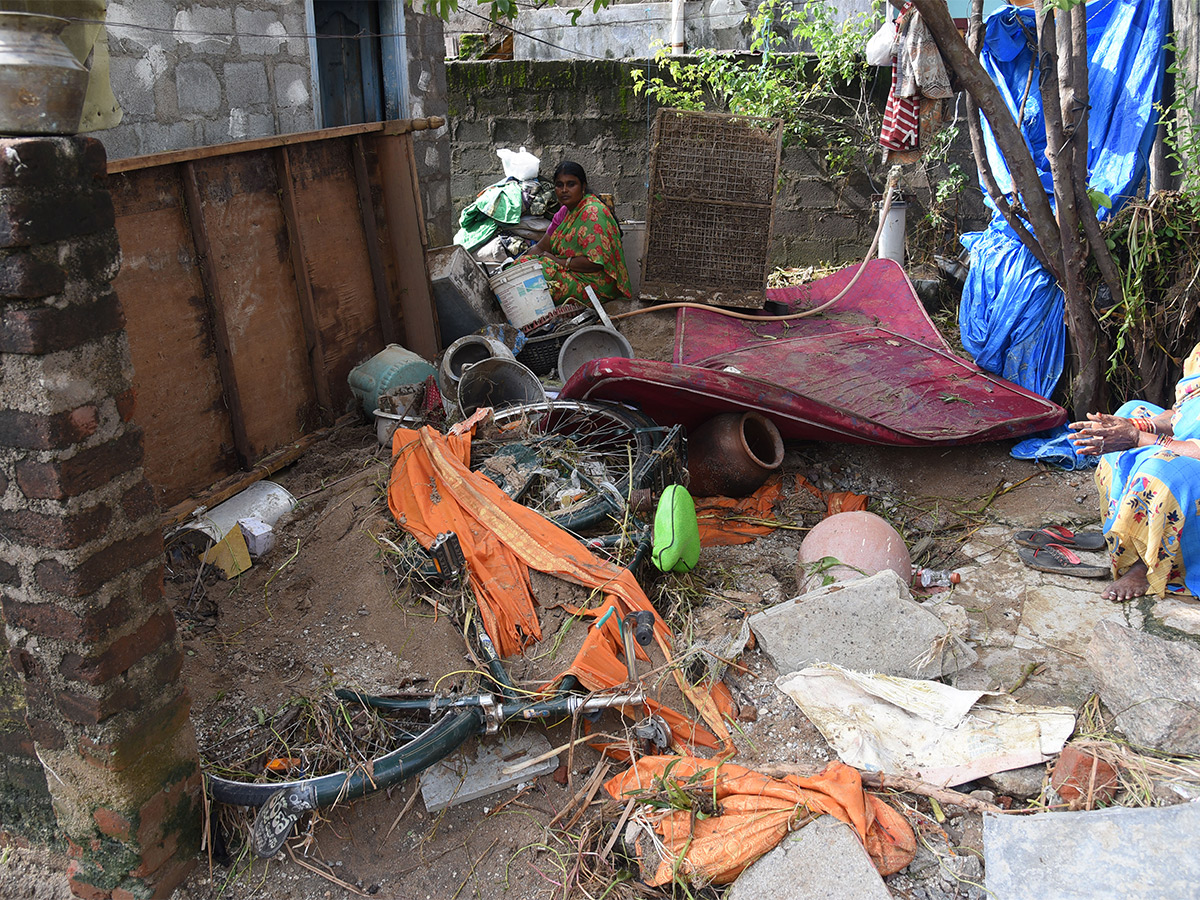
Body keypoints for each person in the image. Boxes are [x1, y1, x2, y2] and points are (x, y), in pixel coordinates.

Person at [1069, 343, 1200, 601]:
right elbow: (1180, 415)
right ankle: (1133, 543)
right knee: (1129, 411)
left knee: (1159, 472)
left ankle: (1153, 566)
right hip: (1187, 441)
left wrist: (1137, 437)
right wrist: (1133, 425)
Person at [525, 161, 632, 306]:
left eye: (571, 184)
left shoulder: (593, 212)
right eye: (559, 185)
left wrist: (558, 262)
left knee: (540, 275)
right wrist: (519, 265)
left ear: (583, 186)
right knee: (524, 270)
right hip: (572, 274)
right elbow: (541, 247)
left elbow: (596, 263)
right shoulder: (564, 212)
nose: (564, 190)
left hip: (595, 283)